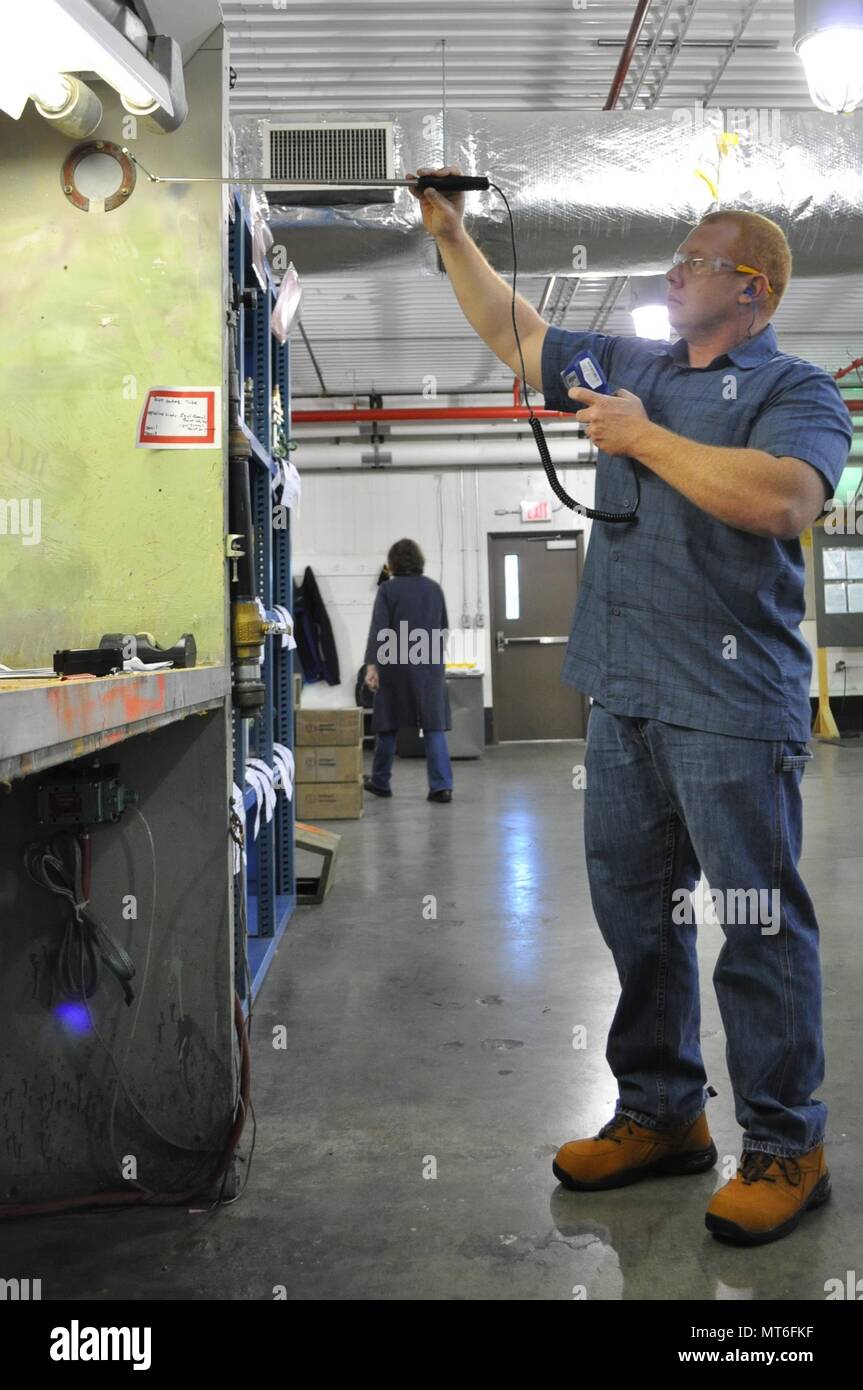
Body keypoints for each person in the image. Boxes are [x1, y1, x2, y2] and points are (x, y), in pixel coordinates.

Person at [409, 167, 852, 1244]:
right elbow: (516, 336)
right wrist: (449, 233)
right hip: (623, 700)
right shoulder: (634, 362)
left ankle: (787, 1144)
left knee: (752, 928)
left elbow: (784, 498)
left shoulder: (793, 389)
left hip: (729, 706)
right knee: (636, 918)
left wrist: (643, 436)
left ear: (750, 288)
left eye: (694, 260)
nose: (672, 271)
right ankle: (661, 1116)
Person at [363, 538, 454, 803]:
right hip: (429, 663)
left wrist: (372, 666)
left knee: (387, 723)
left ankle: (381, 781)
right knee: (433, 725)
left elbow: (379, 629)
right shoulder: (434, 589)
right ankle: (441, 786)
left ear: (393, 563)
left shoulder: (388, 590)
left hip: (395, 663)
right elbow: (444, 628)